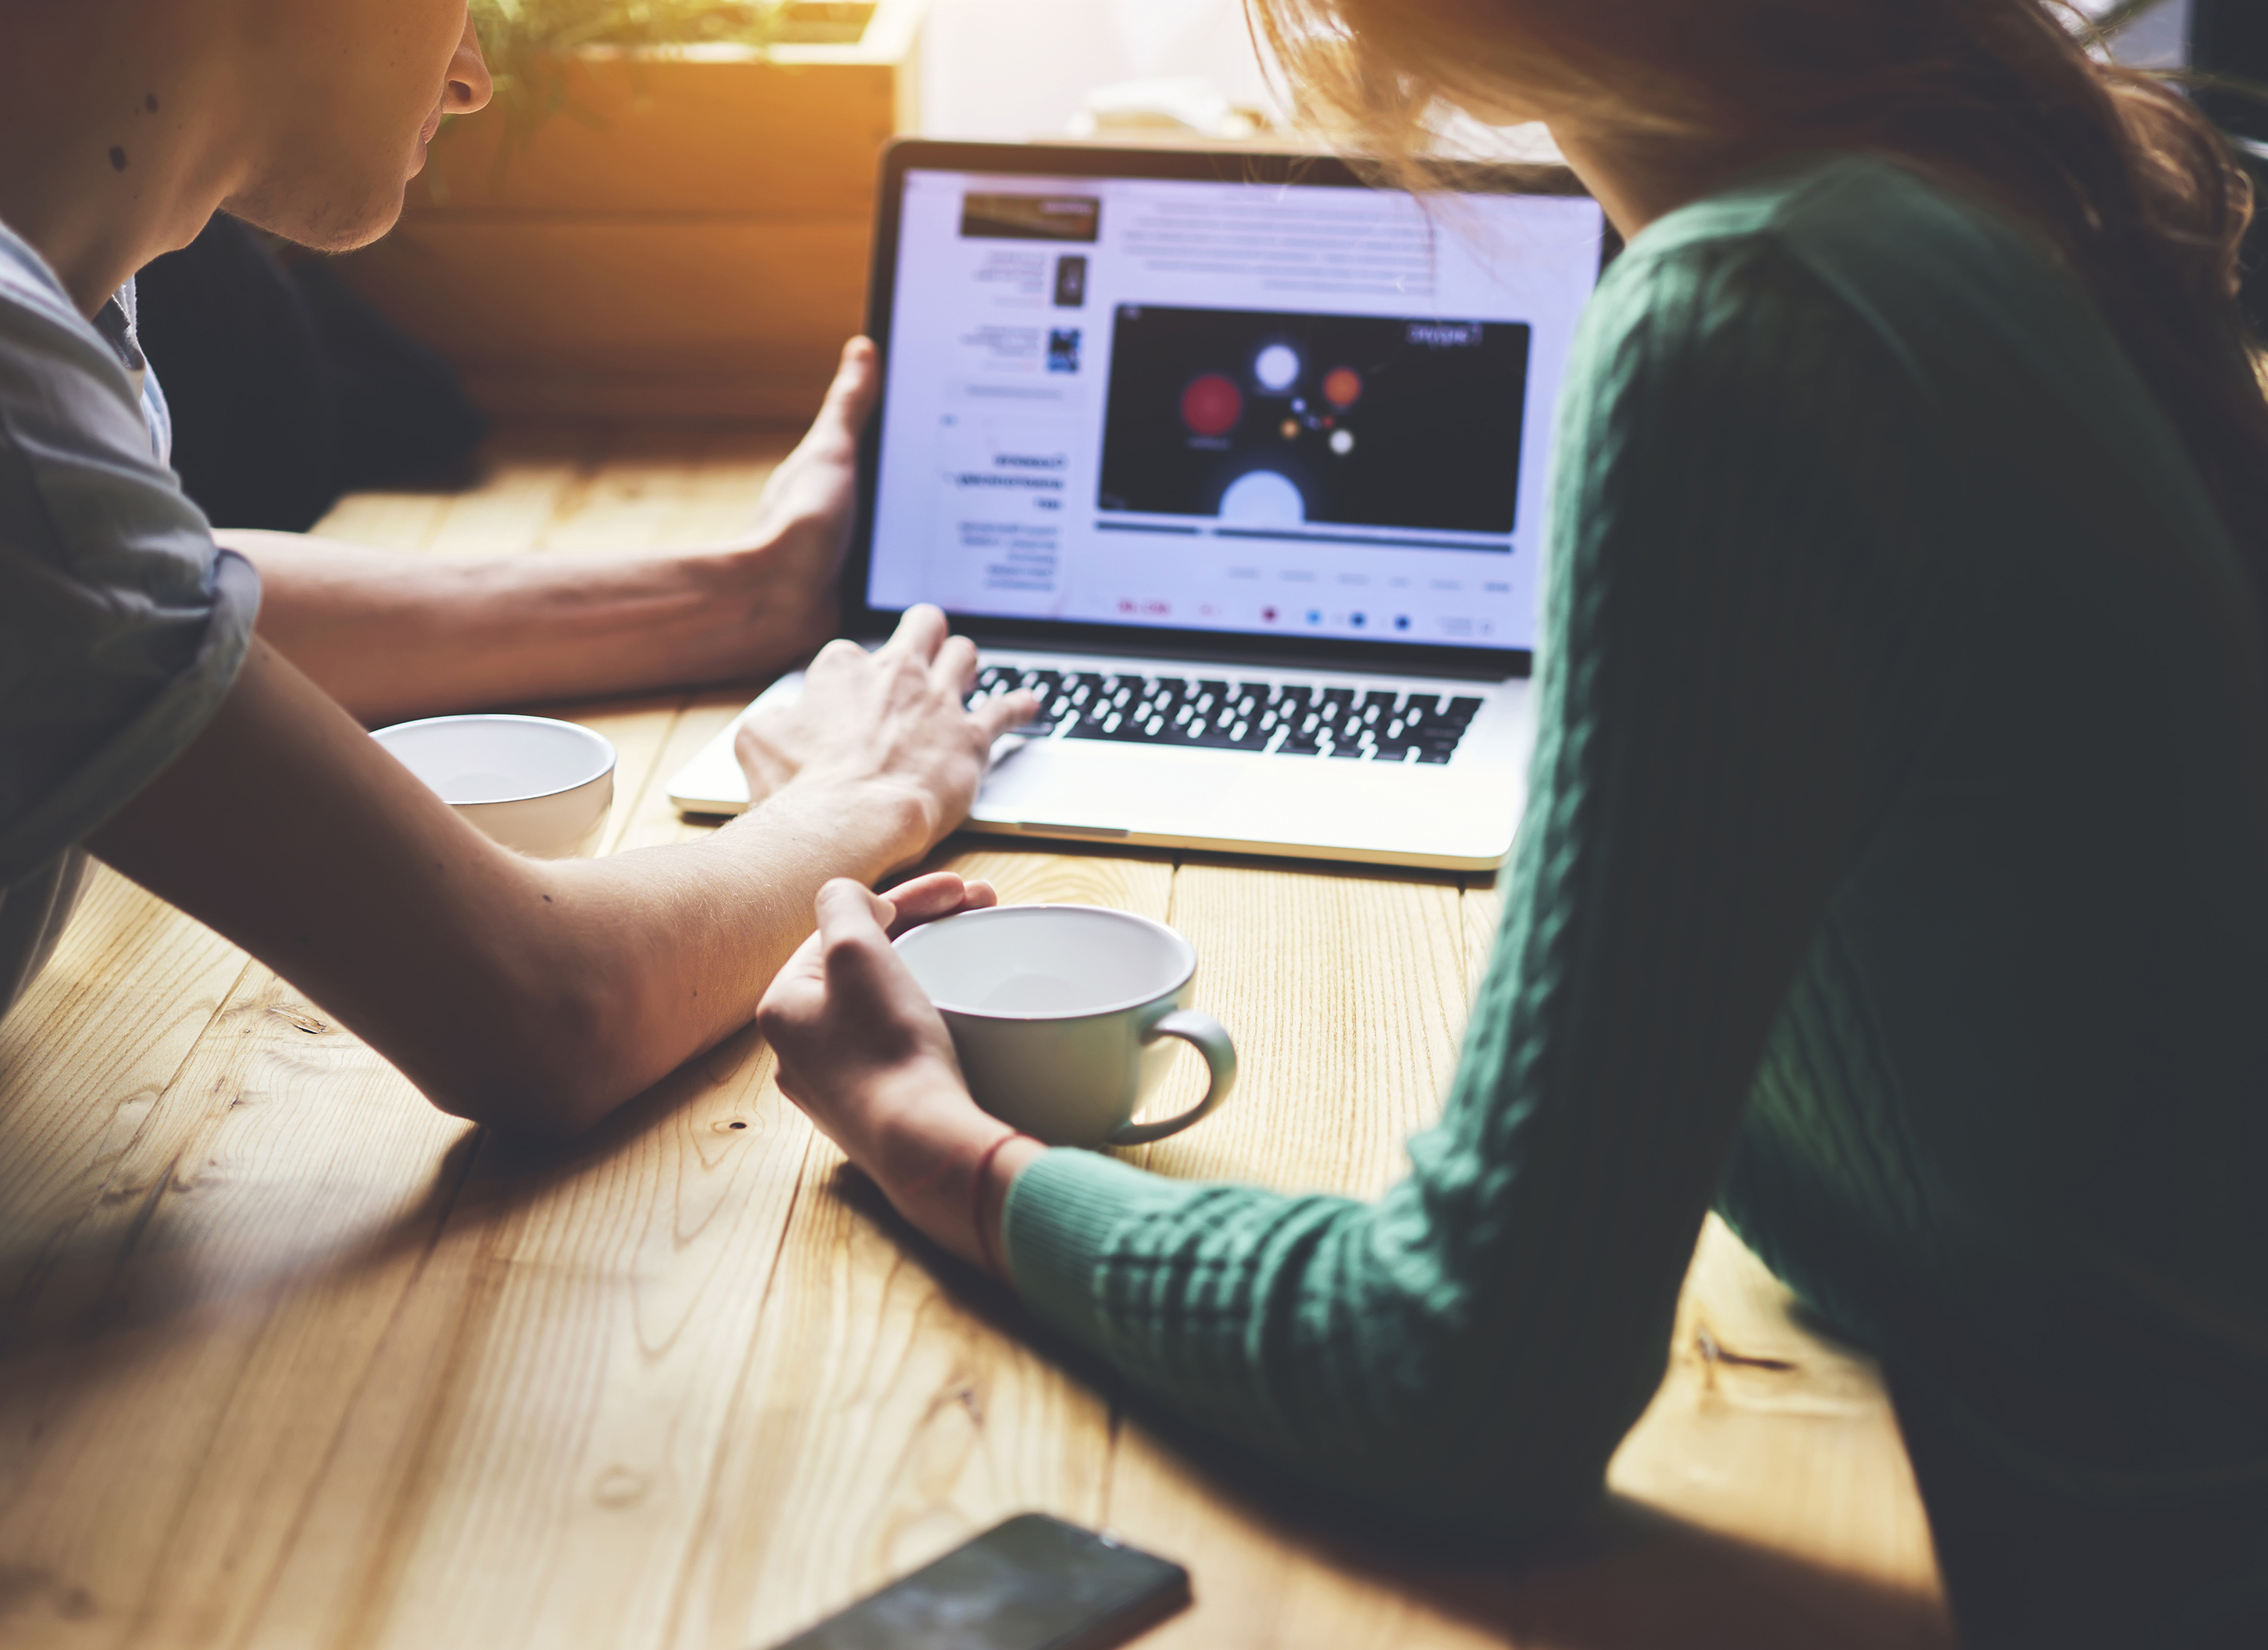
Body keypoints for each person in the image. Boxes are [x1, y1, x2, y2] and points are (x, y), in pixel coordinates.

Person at [755, 2, 2268, 1644]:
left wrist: (938, 1145)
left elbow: (1466, 1380)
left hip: (2086, 1571)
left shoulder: (1746, 307)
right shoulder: (1981, 167)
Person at [0, 0, 1036, 1182]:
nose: (473, 73)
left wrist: (734, 595)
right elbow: (551, 1009)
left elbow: (98, 593)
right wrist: (864, 789)